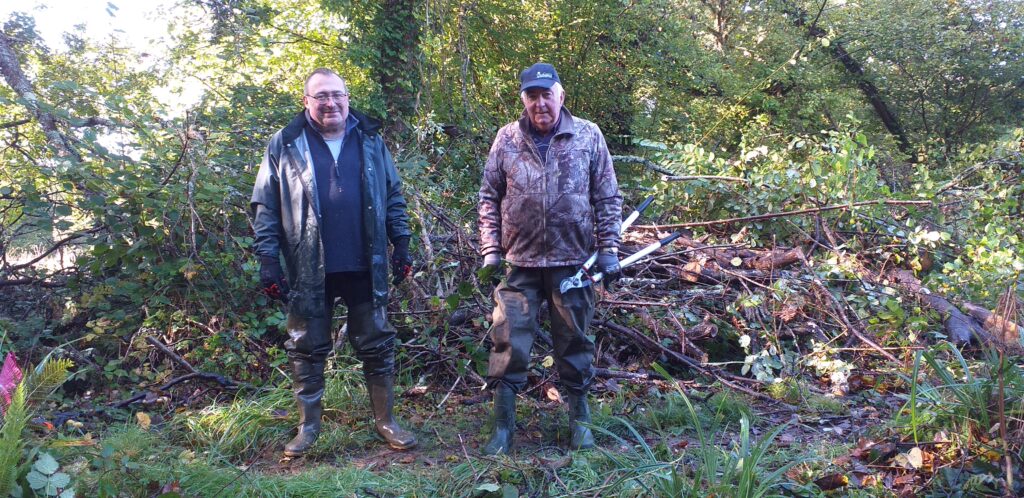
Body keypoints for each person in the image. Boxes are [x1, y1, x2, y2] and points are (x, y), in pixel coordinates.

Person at [251, 68, 417, 457]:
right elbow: (265, 204)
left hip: (365, 262)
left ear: (347, 97)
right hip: (308, 263)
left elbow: (393, 194)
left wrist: (402, 243)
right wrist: (267, 259)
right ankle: (308, 429)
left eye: (337, 95)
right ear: (306, 102)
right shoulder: (286, 142)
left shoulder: (370, 139)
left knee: (377, 343)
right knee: (306, 347)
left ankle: (386, 422)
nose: (330, 103)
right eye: (321, 96)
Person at [477, 62, 623, 455]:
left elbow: (607, 197)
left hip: (572, 263)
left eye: (547, 94)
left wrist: (609, 249)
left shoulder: (588, 136)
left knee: (575, 343)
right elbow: (489, 196)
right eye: (532, 96)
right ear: (523, 99)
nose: (540, 103)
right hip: (520, 263)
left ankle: (581, 424)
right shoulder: (506, 139)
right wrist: (491, 249)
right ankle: (503, 429)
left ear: (561, 96)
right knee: (507, 341)